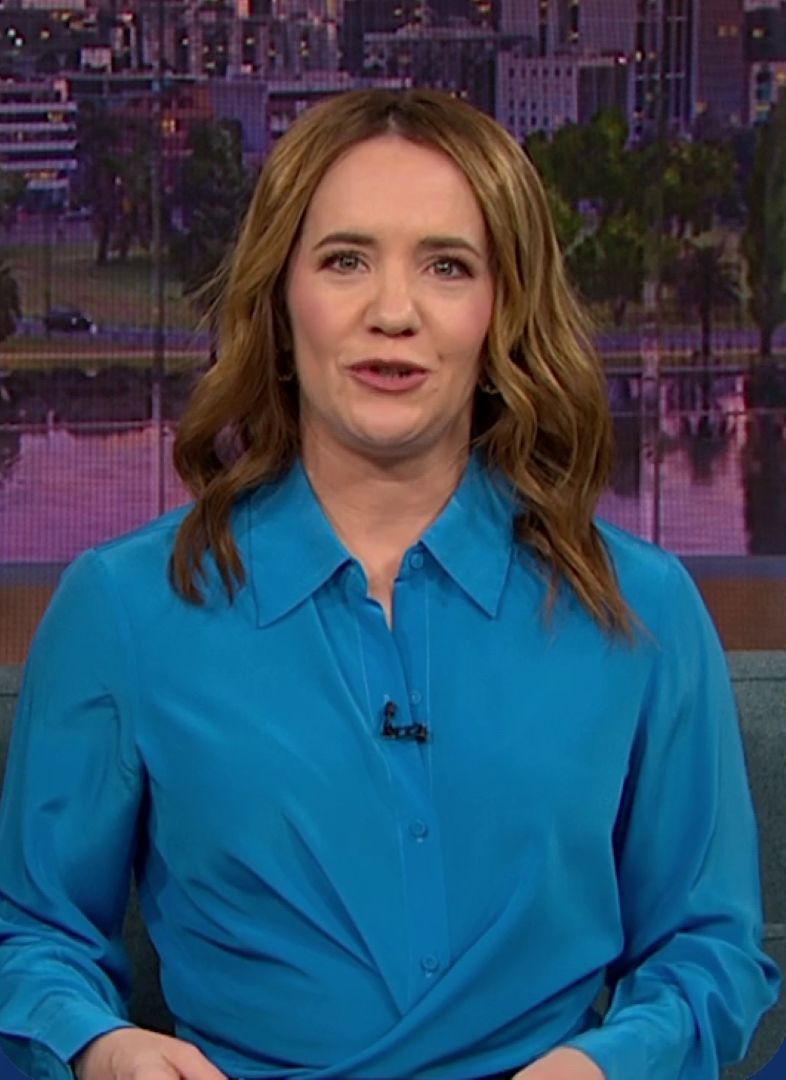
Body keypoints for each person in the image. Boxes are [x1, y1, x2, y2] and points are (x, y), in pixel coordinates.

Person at [0, 88, 779, 1080]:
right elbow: (32, 941)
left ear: (503, 309)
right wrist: (99, 1046)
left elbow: (708, 953)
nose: (393, 313)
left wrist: (602, 1068)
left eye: (447, 266)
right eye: (346, 260)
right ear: (281, 299)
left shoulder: (643, 610)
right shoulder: (124, 607)